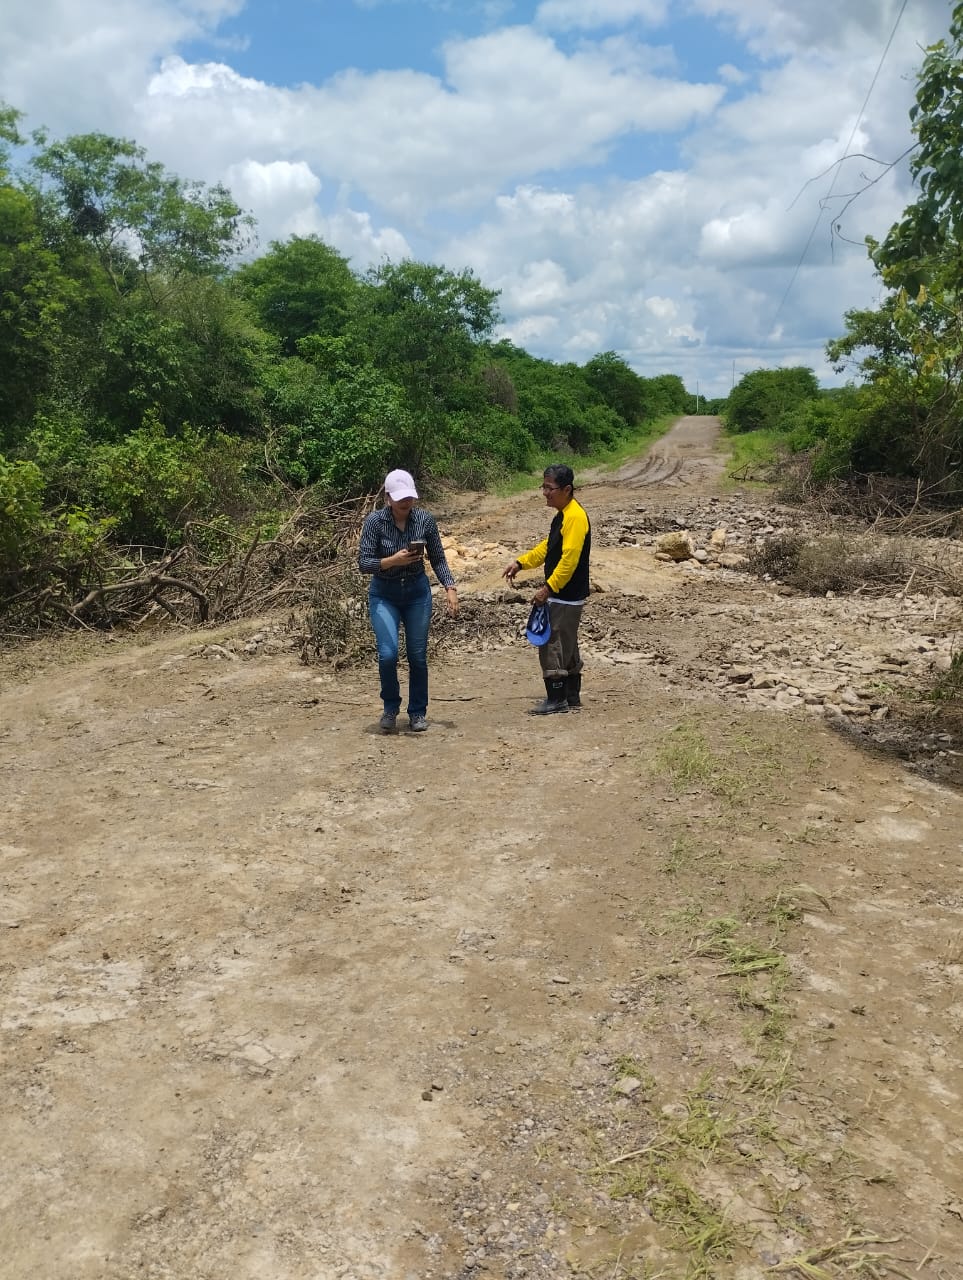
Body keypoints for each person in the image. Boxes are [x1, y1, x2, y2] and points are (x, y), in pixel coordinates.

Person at [358, 469, 458, 733]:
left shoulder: (424, 520)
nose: (406, 502)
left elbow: (438, 557)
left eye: (409, 497)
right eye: (400, 498)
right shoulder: (375, 522)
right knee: (388, 654)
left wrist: (450, 587)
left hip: (416, 593)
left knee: (417, 656)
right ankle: (390, 707)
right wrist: (393, 560)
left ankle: (417, 712)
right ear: (388, 497)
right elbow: (364, 563)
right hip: (384, 593)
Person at [501, 464, 591, 715]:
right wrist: (521, 562)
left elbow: (569, 560)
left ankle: (557, 698)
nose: (545, 493)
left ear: (567, 489)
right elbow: (549, 548)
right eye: (543, 487)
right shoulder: (564, 515)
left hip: (565, 595)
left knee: (552, 643)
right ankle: (571, 696)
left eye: (549, 488)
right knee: (566, 643)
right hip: (566, 595)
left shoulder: (574, 517)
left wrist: (548, 588)